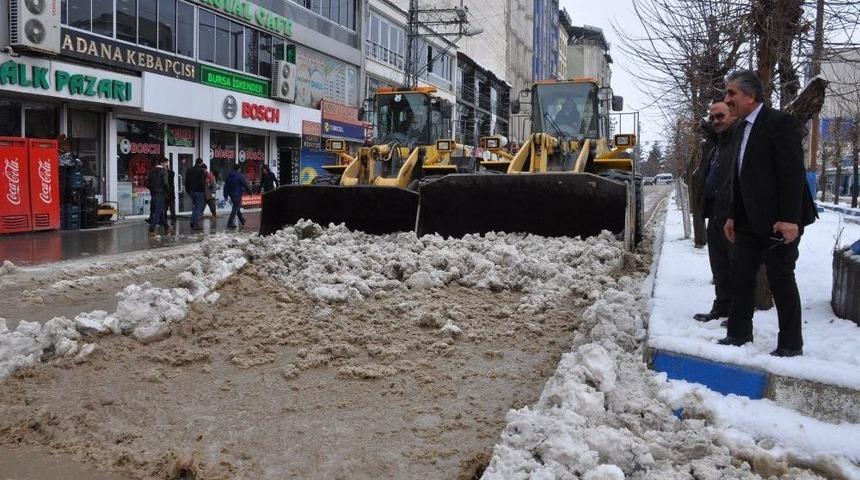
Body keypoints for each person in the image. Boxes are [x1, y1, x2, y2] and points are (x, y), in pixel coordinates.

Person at [719, 70, 818, 357]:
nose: (727, 99)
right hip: (748, 219)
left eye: (732, 94)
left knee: (781, 278)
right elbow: (740, 177)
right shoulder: (739, 129)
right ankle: (738, 334)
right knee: (742, 276)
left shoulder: (780, 123)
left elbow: (792, 174)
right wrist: (732, 216)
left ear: (750, 96)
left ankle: (790, 343)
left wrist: (789, 218)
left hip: (779, 220)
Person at [692, 101, 737, 324]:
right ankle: (722, 307)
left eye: (721, 116)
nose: (716, 121)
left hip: (732, 214)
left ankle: (738, 313)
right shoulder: (716, 143)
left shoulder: (738, 142)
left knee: (735, 265)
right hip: (715, 211)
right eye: (712, 117)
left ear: (734, 116)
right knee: (719, 264)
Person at [146, 158, 170, 236]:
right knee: (157, 212)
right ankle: (151, 229)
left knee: (161, 211)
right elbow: (166, 184)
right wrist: (167, 192)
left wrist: (152, 189)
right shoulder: (164, 172)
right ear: (162, 163)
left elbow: (146, 183)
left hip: (153, 194)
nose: (167, 165)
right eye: (166, 163)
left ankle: (166, 227)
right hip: (161, 194)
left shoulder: (151, 172)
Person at [224, 164, 251, 228]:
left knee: (236, 207)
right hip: (238, 194)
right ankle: (230, 223)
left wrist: (225, 195)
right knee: (235, 208)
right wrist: (250, 192)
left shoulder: (229, 176)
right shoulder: (240, 176)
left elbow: (226, 186)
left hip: (231, 194)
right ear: (239, 169)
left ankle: (242, 220)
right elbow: (245, 185)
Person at [184, 158, 206, 230]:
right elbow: (202, 182)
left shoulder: (189, 170)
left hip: (191, 192)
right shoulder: (201, 171)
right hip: (199, 192)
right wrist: (204, 190)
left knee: (195, 207)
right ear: (201, 163)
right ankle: (195, 223)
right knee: (198, 208)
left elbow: (186, 181)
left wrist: (188, 191)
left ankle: (193, 222)